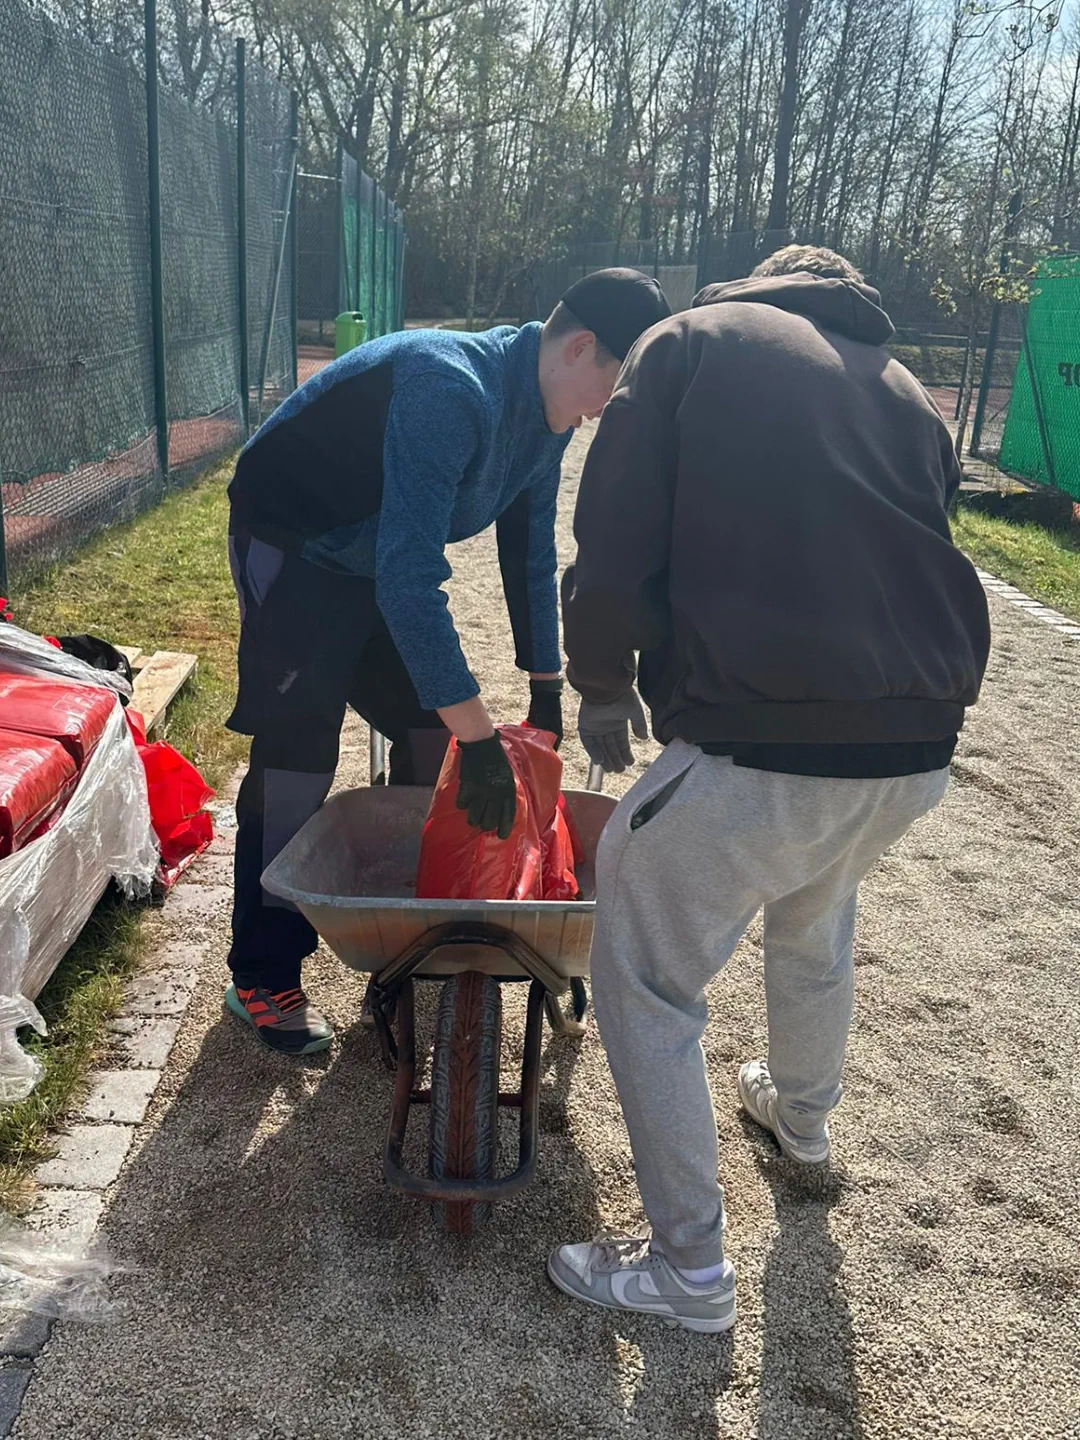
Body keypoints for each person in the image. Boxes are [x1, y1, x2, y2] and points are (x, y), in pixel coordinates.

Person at [548, 245, 991, 1332]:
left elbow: (613, 531)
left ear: (757, 285)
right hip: (917, 742)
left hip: (763, 726)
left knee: (645, 970)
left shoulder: (690, 341)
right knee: (814, 913)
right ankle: (801, 1123)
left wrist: (599, 681)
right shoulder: (906, 389)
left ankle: (688, 1268)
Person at [224, 269, 671, 1055]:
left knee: (431, 739)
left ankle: (417, 926)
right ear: (580, 347)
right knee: (298, 759)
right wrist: (481, 736)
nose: (607, 408)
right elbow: (410, 580)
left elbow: (530, 554)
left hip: (371, 560)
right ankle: (263, 971)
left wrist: (544, 682)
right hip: (296, 546)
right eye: (616, 383)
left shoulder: (549, 417)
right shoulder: (449, 389)